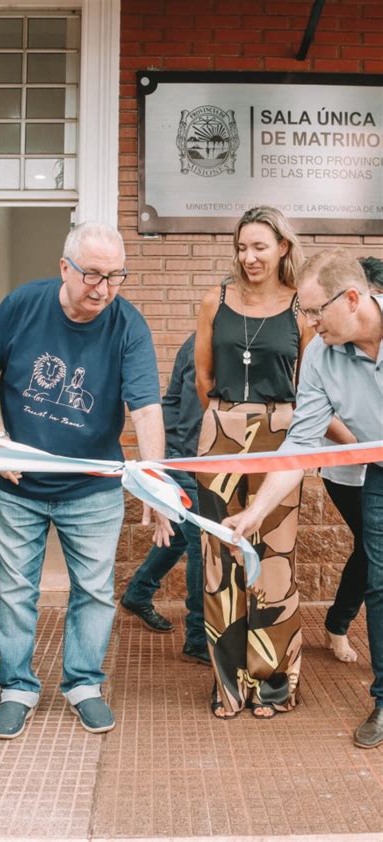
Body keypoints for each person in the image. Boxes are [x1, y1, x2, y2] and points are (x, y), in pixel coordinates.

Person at [0, 222, 172, 738]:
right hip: (16, 487)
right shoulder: (23, 305)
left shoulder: (128, 325)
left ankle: (83, 683)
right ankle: (17, 687)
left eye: (115, 277)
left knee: (95, 591)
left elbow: (147, 410)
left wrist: (152, 479)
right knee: (16, 591)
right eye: (92, 275)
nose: (103, 288)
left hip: (93, 490)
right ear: (65, 268)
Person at [224, 248, 382, 749]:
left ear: (353, 298)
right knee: (380, 581)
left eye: (316, 311)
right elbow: (299, 447)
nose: (309, 323)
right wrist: (254, 513)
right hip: (379, 471)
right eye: (303, 312)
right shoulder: (319, 354)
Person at [195, 206, 314, 720]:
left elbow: (311, 385)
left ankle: (272, 684)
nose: (249, 257)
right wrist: (228, 423)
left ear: (282, 247)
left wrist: (270, 424)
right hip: (219, 432)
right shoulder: (214, 301)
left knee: (275, 561)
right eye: (242, 247)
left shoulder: (299, 310)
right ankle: (228, 686)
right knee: (219, 562)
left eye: (260, 247)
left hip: (281, 434)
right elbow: (203, 376)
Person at [120, 332, 209, 665]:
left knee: (179, 537)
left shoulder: (206, 336)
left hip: (181, 451)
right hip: (185, 454)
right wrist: (191, 462)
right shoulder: (207, 339)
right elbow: (192, 409)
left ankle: (137, 593)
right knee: (202, 543)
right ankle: (198, 639)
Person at [322, 257, 383, 663]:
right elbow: (321, 414)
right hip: (347, 471)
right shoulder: (326, 350)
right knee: (368, 550)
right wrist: (366, 448)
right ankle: (337, 625)